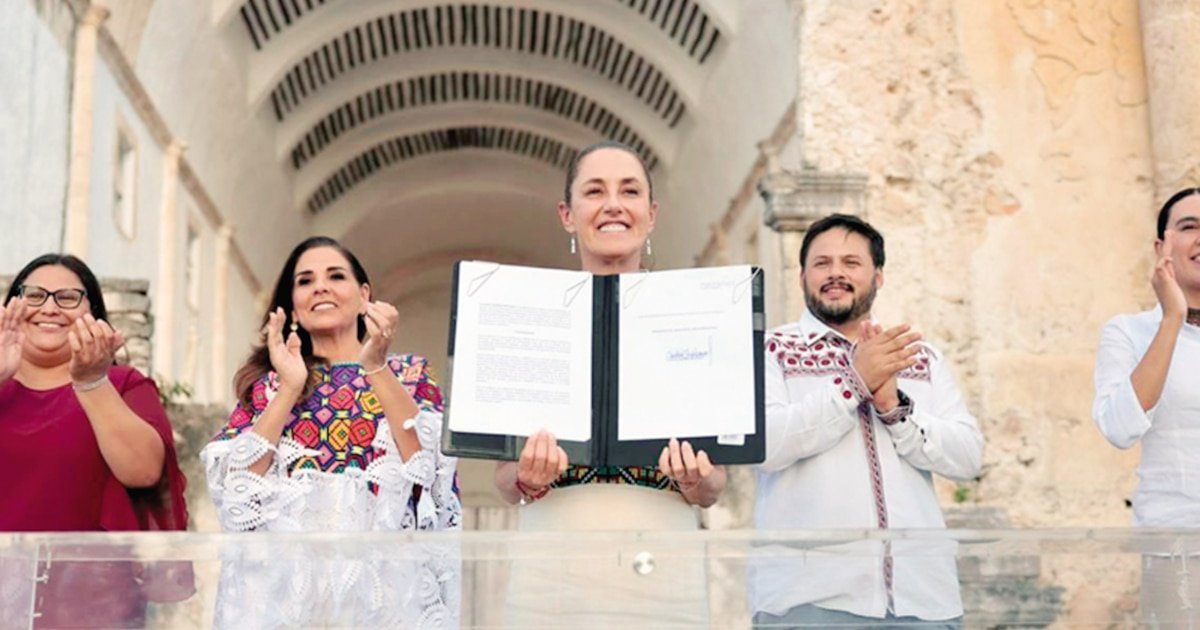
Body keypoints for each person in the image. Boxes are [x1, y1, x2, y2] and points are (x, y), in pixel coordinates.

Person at [494, 141, 727, 625]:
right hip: (552, 572)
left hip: (663, 566)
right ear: (567, 214)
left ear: (652, 213)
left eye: (630, 191)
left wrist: (696, 479)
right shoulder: (529, 319)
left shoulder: (693, 317)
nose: (614, 205)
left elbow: (713, 485)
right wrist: (526, 476)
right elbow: (504, 482)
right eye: (595, 191)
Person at [200, 236, 461, 628]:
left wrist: (375, 364)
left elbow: (429, 475)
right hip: (289, 601)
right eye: (305, 281)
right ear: (293, 307)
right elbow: (237, 491)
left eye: (336, 276)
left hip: (383, 598)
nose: (320, 287)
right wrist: (289, 387)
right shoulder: (270, 387)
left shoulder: (409, 374)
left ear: (364, 295)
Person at [752, 214, 983, 628]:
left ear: (878, 277)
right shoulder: (769, 350)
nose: (835, 273)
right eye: (822, 263)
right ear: (802, 277)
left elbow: (968, 458)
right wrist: (853, 383)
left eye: (851, 262)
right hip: (809, 601)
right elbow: (763, 446)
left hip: (924, 601)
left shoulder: (918, 356)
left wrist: (895, 409)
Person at [0, 254, 190, 627]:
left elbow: (144, 471)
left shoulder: (123, 385)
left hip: (87, 607)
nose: (50, 308)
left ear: (94, 315)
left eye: (68, 298)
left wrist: (91, 382)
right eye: (34, 295)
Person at [1093, 188, 1200, 625]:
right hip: (1179, 549)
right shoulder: (1129, 332)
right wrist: (1172, 318)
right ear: (1162, 247)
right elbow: (1119, 428)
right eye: (1189, 227)